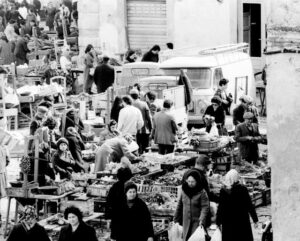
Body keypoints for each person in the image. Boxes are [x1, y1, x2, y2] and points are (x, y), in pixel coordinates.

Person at [216, 169, 258, 241]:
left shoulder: (223, 190)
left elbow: (221, 208)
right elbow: (249, 205)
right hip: (242, 221)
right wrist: (255, 220)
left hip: (228, 222)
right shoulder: (242, 189)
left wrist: (218, 222)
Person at [174, 170, 210, 241]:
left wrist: (202, 219)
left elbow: (205, 207)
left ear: (197, 181)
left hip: (197, 222)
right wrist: (175, 218)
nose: (190, 183)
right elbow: (180, 205)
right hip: (186, 222)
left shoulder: (202, 192)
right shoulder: (184, 190)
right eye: (189, 181)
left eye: (192, 182)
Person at [130, 88, 152, 154]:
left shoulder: (129, 105)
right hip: (145, 130)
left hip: (134, 131)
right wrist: (151, 128)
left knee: (136, 149)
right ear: (138, 95)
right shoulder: (144, 104)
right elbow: (149, 118)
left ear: (130, 96)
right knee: (146, 149)